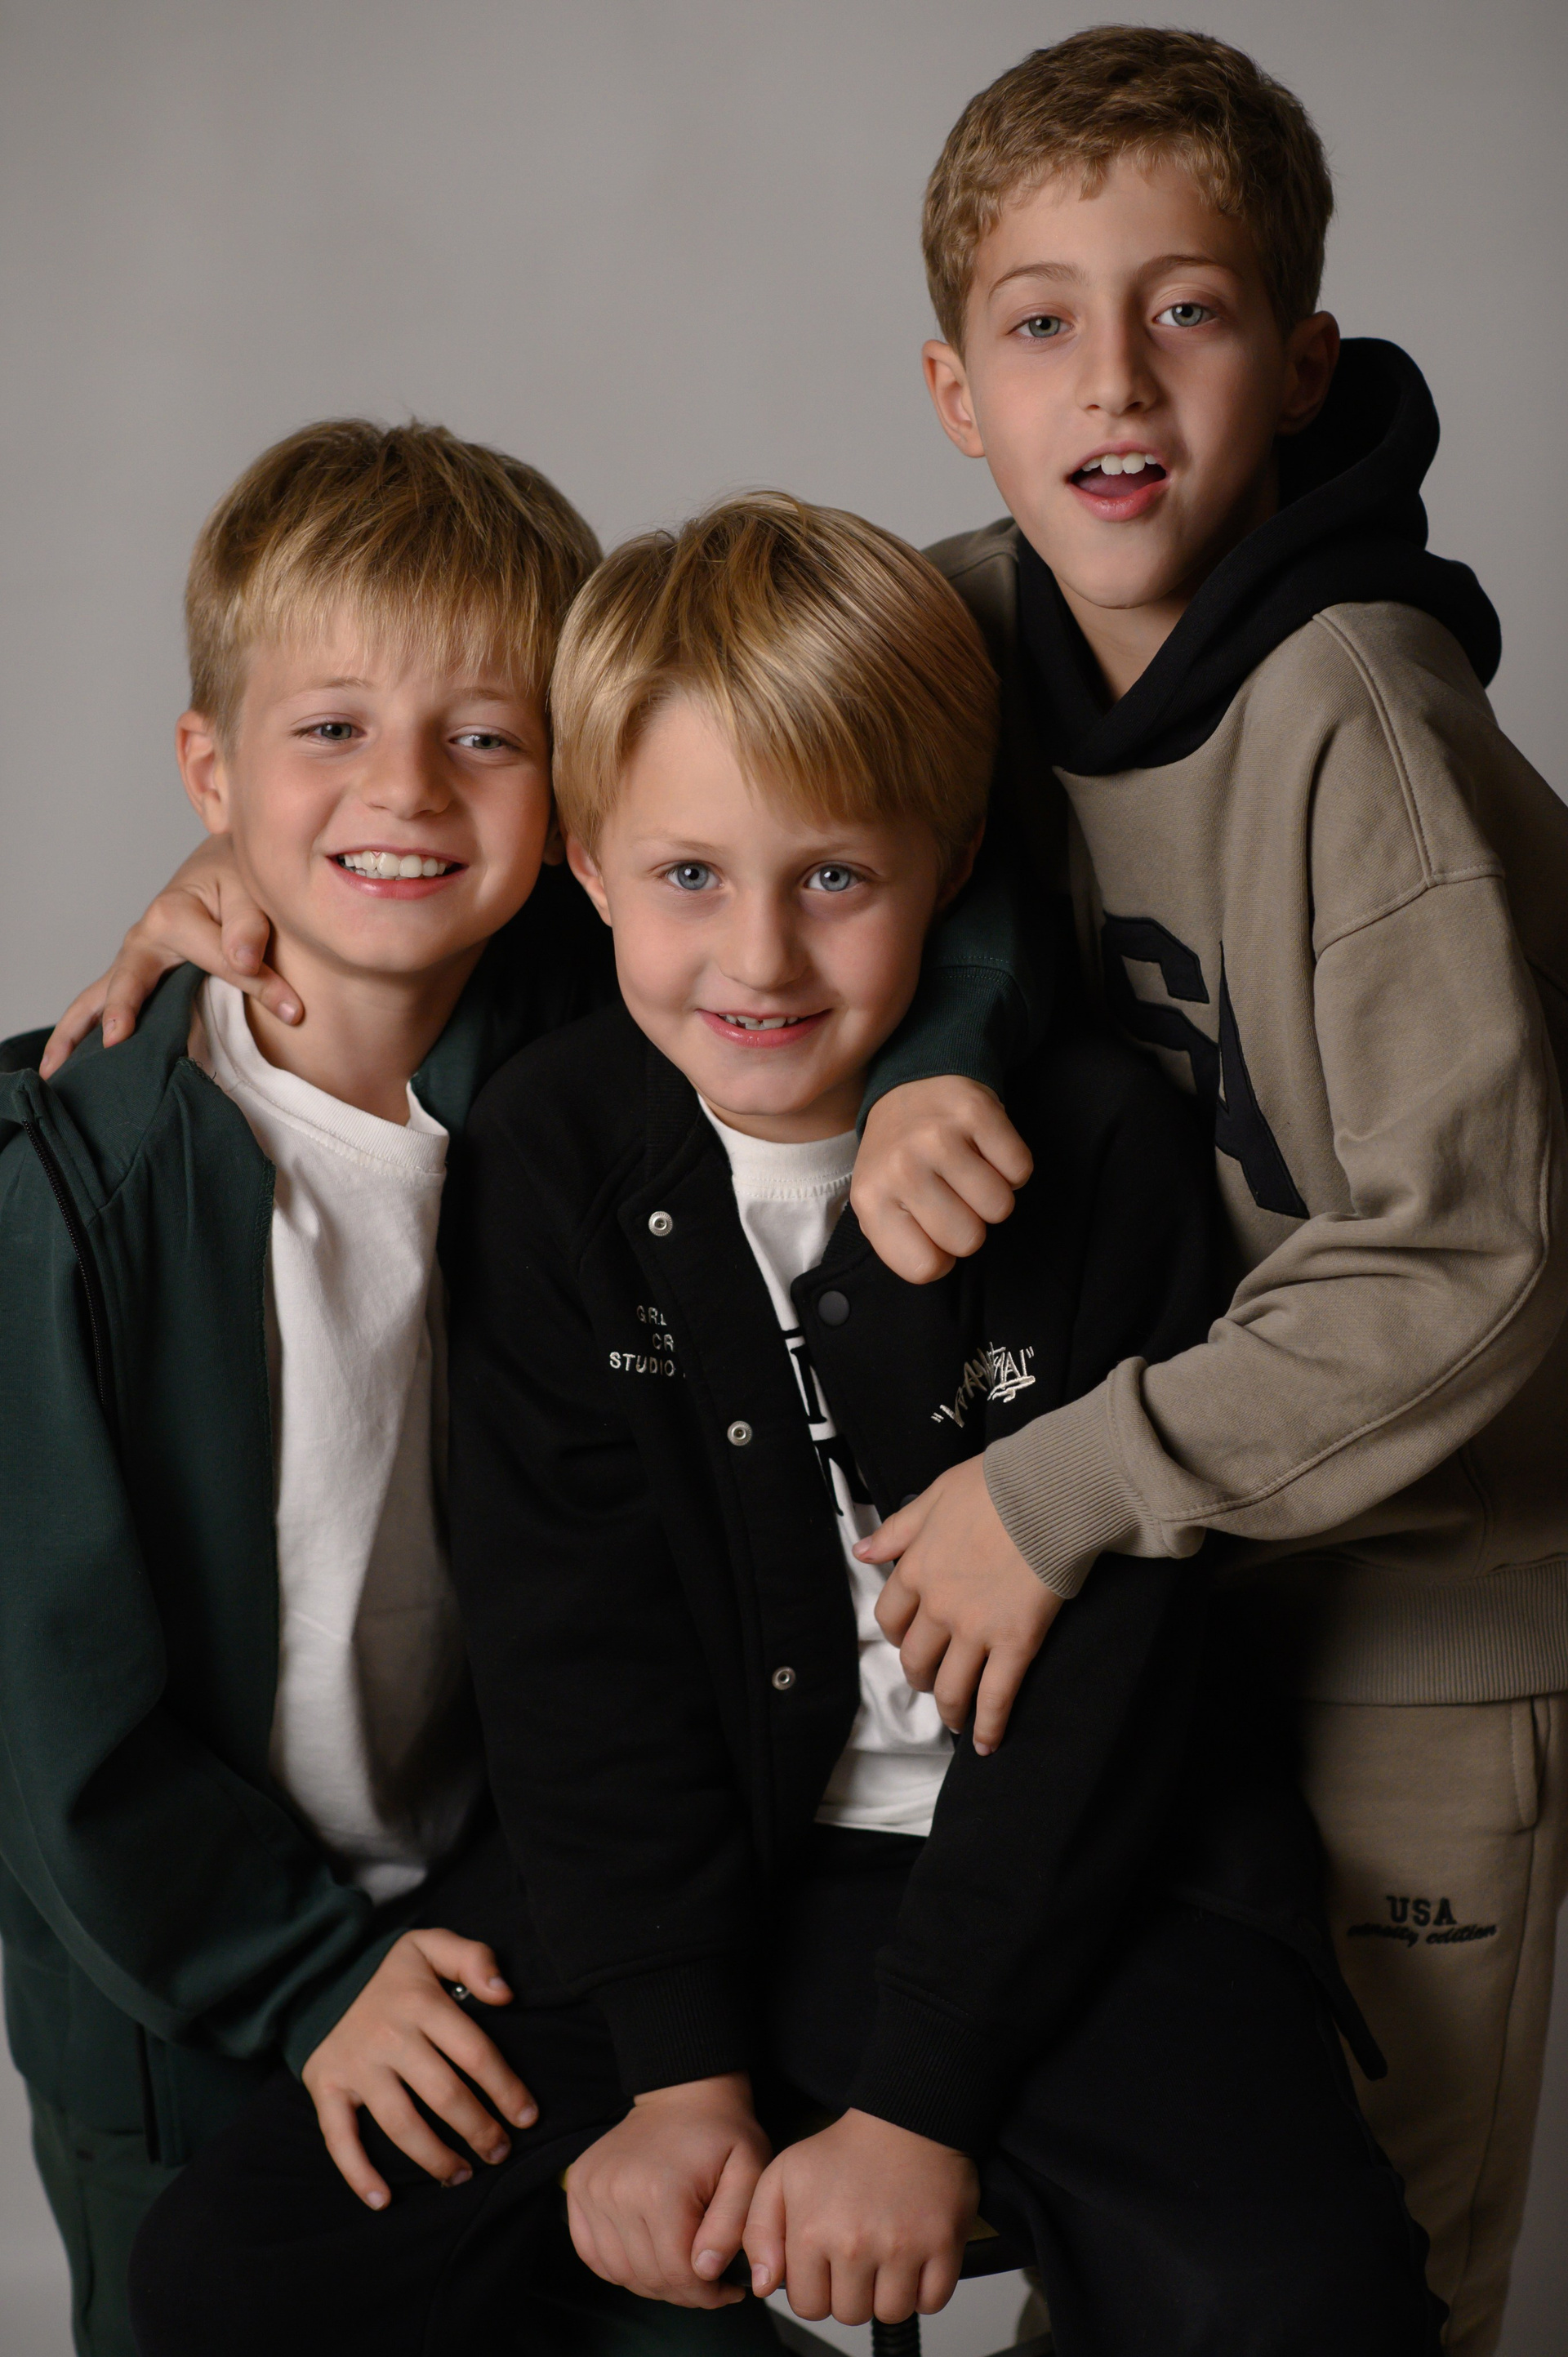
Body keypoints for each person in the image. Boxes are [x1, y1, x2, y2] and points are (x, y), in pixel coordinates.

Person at [128, 496, 1440, 2357]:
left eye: (833, 878)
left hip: (1080, 1877)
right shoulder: (557, 1148)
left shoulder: (1095, 1146)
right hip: (698, 1878)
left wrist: (918, 2106)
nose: (758, 958)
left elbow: (1114, 1691)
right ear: (588, 864)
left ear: (951, 864)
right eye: (687, 876)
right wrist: (679, 2079)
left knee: (1291, 2294)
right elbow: (579, 1655)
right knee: (236, 2269)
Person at [836, 32, 1568, 2357]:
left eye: (1190, 309)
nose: (1116, 379)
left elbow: (1477, 1257)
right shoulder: (955, 630)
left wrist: (1061, 1486)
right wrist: (231, 901)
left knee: (1348, 2293)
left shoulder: (1363, 720)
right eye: (1043, 320)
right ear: (957, 391)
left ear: (1304, 362)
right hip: (1155, 1622)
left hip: (1407, 1631)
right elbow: (663, 811)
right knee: (1142, 2243)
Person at [0, 417, 786, 2357]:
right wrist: (304, 1983)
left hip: (524, 1937)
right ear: (212, 774)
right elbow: (46, 1709)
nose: (408, 789)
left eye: (486, 736)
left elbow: (897, 839)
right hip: (196, 1992)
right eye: (332, 729)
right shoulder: (72, 1189)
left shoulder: (603, 1071)